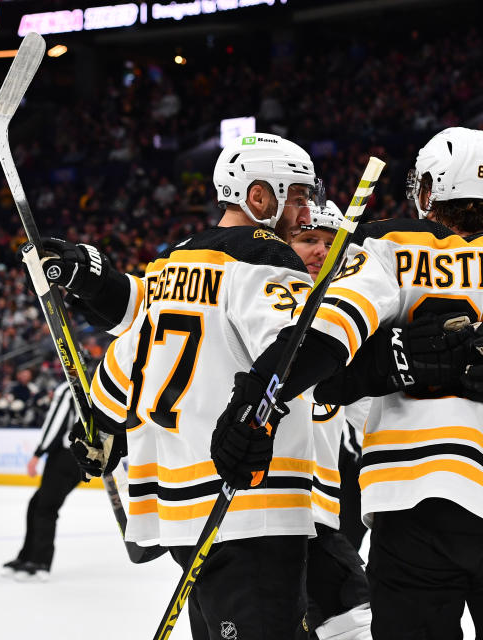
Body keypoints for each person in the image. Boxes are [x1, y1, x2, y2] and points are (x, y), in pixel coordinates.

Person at [227, 126, 483, 639]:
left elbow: (326, 341)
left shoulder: (389, 243)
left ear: (427, 189)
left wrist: (255, 399)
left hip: (414, 498)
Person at [78, 133, 322, 639]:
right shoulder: (266, 258)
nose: (307, 214)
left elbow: (123, 366)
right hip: (251, 503)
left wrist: (101, 427)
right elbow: (295, 356)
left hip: (181, 508)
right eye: (297, 198)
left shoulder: (171, 264)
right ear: (259, 197)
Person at [289, 200, 373, 640]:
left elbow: (369, 414)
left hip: (326, 507)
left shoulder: (349, 319)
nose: (321, 252)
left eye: (330, 244)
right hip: (266, 511)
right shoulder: (253, 300)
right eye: (308, 240)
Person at [1, 380, 81, 582]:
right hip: (80, 458)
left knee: (45, 508)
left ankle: (40, 563)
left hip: (65, 454)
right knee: (36, 504)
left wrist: (38, 453)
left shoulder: (69, 387)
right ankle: (27, 556)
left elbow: (56, 422)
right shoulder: (92, 385)